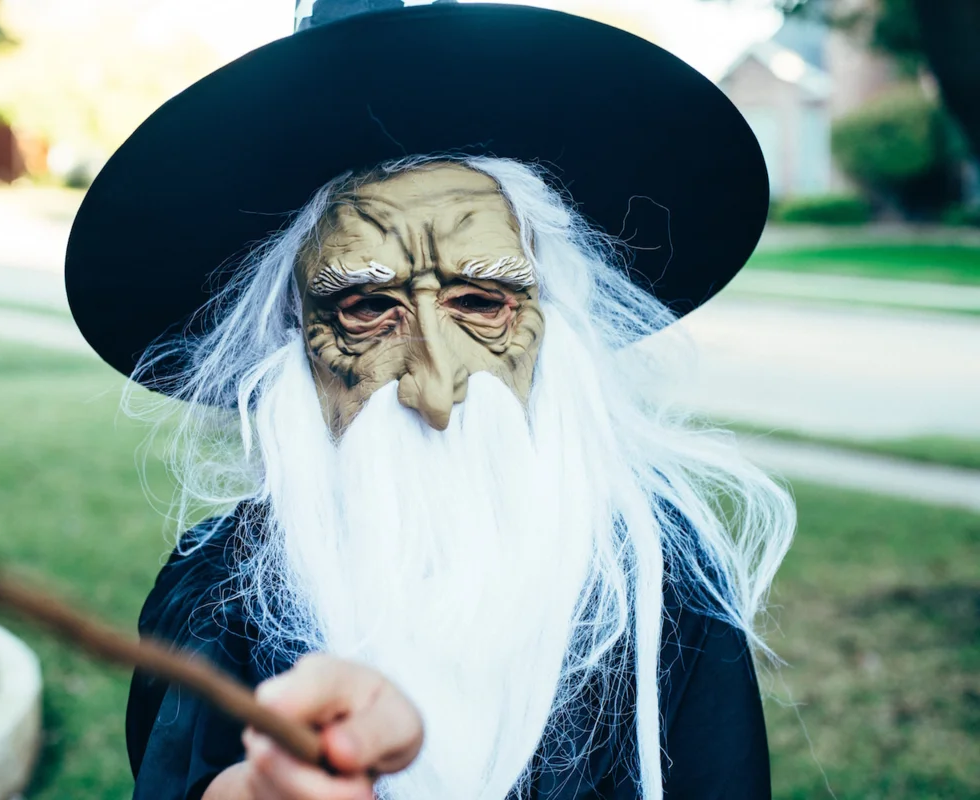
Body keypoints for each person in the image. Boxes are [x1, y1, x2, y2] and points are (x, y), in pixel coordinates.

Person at [64, 4, 796, 799]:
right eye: (367, 311)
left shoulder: (662, 577)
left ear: (555, 323)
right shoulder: (218, 586)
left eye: (483, 303)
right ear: (293, 344)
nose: (436, 388)